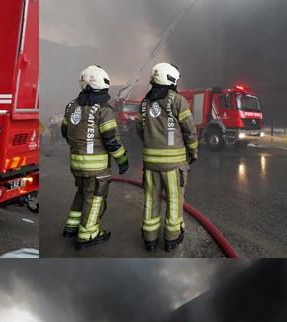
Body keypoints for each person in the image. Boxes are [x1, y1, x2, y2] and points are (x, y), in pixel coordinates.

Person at [60, 65, 129, 249]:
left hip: (76, 164)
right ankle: (88, 234)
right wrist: (122, 160)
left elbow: (65, 132)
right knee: (95, 198)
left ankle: (71, 227)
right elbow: (112, 139)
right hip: (96, 168)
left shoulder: (71, 106)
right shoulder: (104, 110)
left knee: (81, 193)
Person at [137, 62, 199, 253]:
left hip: (150, 164)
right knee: (174, 200)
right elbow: (189, 130)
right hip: (173, 166)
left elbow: (140, 129)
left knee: (151, 199)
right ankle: (172, 239)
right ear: (171, 79)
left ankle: (150, 239)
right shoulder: (178, 100)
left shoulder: (145, 102)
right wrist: (193, 152)